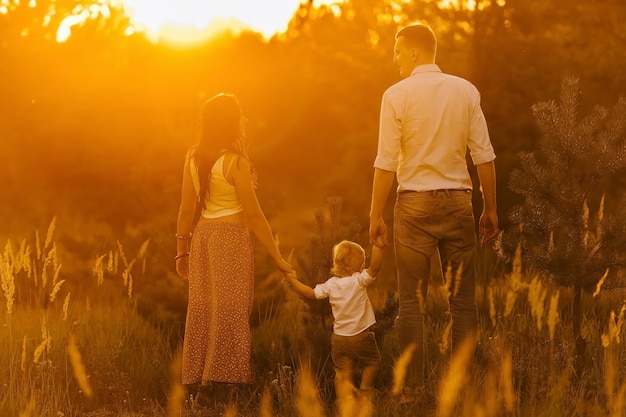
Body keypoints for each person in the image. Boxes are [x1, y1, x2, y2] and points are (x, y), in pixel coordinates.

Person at [368, 23, 499, 400]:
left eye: (396, 50)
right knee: (462, 301)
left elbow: (387, 162)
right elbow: (484, 155)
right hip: (459, 202)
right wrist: (489, 208)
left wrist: (375, 215)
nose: (393, 58)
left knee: (412, 300)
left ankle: (411, 389)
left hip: (413, 207)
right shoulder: (465, 90)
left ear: (413, 52)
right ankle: (466, 388)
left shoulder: (395, 95)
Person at [175, 93, 293, 399]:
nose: (245, 120)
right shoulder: (235, 163)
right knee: (230, 310)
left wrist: (181, 251)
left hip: (202, 238)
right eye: (240, 115)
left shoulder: (192, 157)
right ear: (231, 122)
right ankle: (219, 386)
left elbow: (186, 210)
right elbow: (255, 216)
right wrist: (278, 258)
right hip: (229, 238)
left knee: (203, 309)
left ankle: (201, 382)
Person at [284, 240, 383, 403]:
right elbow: (375, 268)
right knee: (372, 361)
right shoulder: (358, 280)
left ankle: (344, 399)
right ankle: (365, 391)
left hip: (339, 339)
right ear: (359, 266)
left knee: (343, 371)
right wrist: (378, 245)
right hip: (361, 336)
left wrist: (293, 280)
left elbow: (310, 293)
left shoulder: (331, 284)